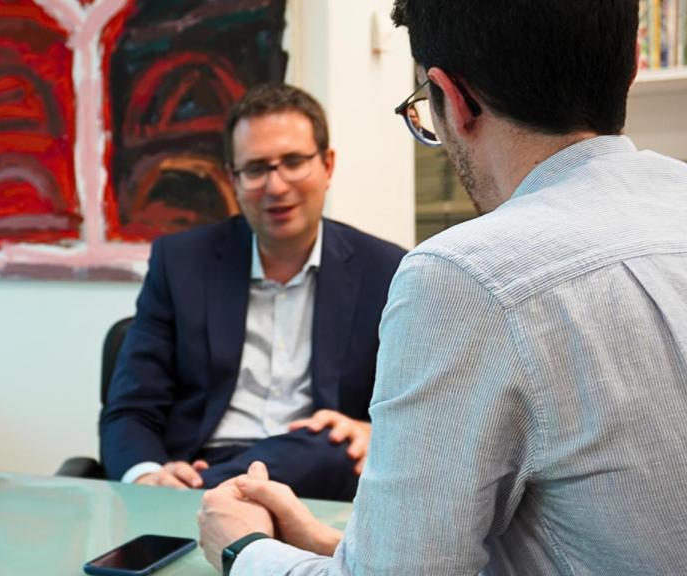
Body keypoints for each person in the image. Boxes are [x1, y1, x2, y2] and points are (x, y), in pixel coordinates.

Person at [198, 0, 687, 573]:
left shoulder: (465, 277)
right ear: (630, 64)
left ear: (454, 100)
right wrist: (327, 541)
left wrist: (244, 549)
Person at [99, 84, 405, 502]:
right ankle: (217, 493)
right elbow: (130, 409)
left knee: (330, 445)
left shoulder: (387, 270)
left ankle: (216, 493)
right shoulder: (180, 263)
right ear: (233, 179)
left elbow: (423, 410)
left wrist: (375, 433)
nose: (276, 187)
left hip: (314, 479)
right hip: (195, 465)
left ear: (327, 166)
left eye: (294, 162)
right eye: (256, 169)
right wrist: (148, 478)